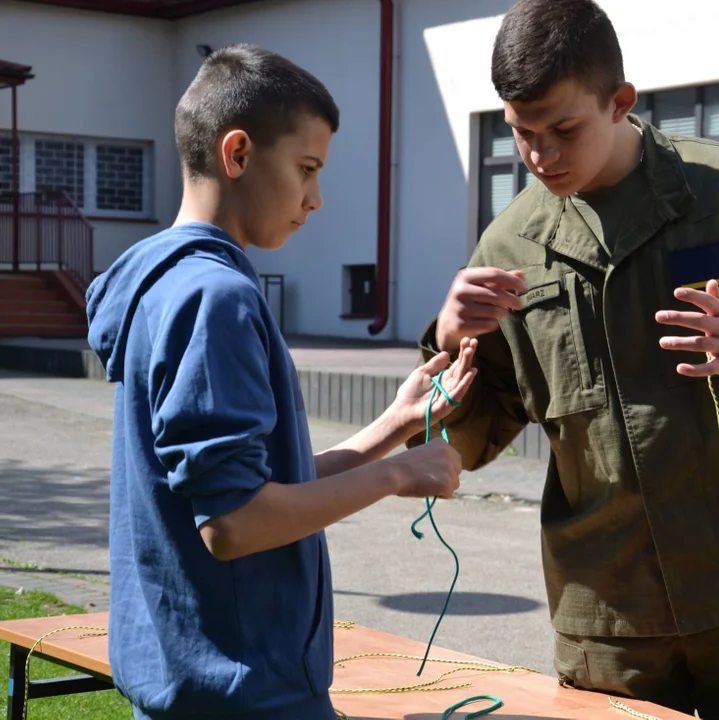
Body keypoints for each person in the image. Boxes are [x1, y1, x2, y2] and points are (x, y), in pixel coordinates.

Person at [412, 1, 719, 718]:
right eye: (522, 134)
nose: (541, 155)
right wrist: (447, 343)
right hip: (609, 623)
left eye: (563, 129)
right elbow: (467, 440)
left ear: (620, 102)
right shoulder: (509, 248)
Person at [85, 44, 472, 720]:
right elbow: (234, 524)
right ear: (237, 155)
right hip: (246, 696)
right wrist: (399, 476)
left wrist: (392, 428)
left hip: (200, 688)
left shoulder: (165, 286)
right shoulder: (215, 299)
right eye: (306, 169)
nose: (316, 199)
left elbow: (251, 486)